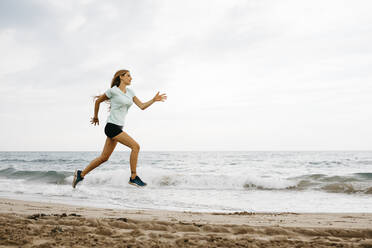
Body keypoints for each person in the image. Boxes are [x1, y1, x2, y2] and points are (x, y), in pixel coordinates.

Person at [72, 69, 167, 188]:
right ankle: (133, 177)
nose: (131, 78)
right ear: (121, 77)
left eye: (130, 76)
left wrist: (153, 100)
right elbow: (98, 101)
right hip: (112, 127)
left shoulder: (130, 92)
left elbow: (142, 106)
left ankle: (81, 174)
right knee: (135, 146)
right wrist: (96, 116)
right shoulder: (113, 91)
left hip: (118, 127)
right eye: (128, 76)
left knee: (104, 158)